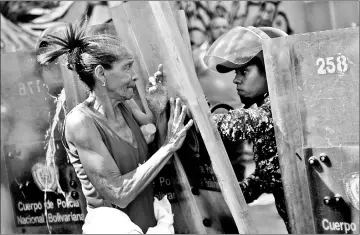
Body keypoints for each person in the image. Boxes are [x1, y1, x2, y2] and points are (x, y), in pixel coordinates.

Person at [36, 20, 193, 233]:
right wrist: (169, 146)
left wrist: (158, 111)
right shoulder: (81, 122)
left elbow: (156, 156)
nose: (135, 75)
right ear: (101, 74)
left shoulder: (126, 104)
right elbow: (119, 193)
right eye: (127, 67)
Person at [203, 25, 291, 233]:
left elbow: (234, 124)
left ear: (271, 67)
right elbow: (265, 177)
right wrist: (229, 197)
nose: (236, 79)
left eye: (244, 71)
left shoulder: (283, 108)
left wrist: (196, 116)